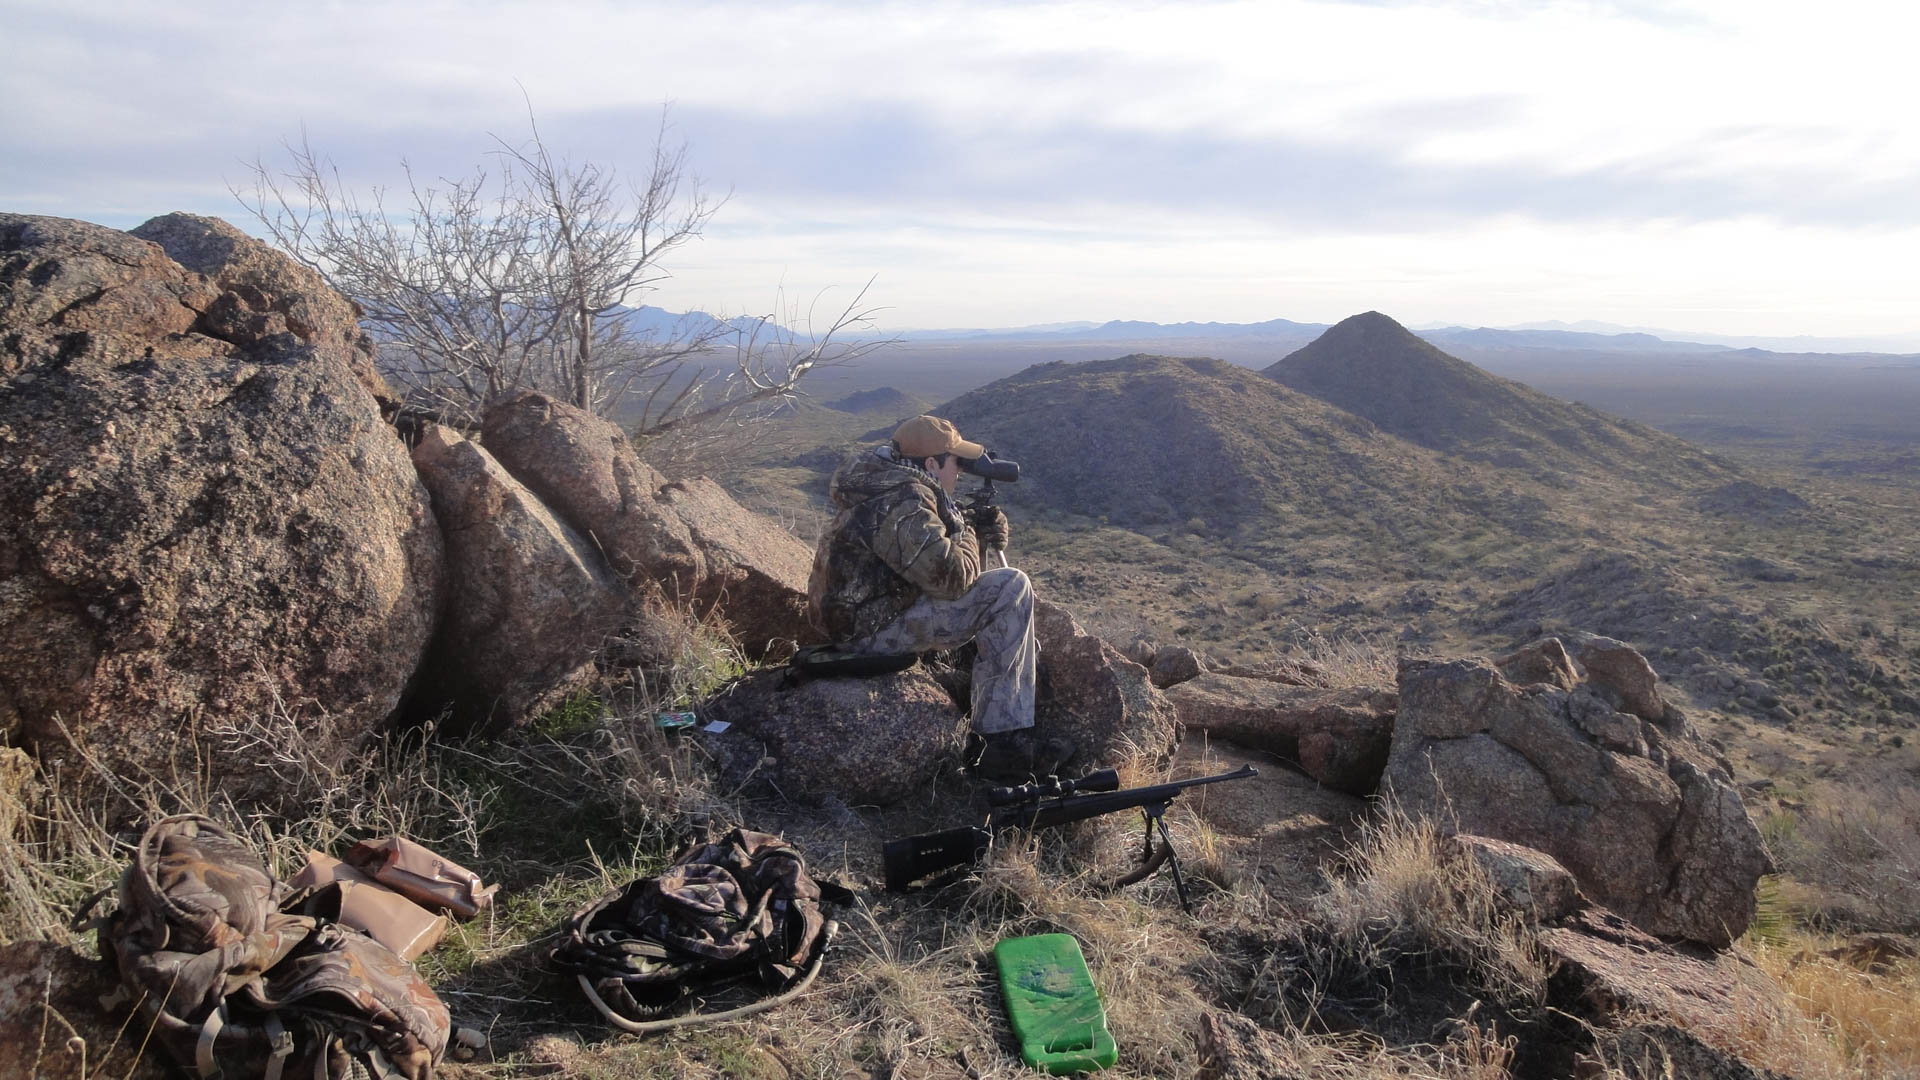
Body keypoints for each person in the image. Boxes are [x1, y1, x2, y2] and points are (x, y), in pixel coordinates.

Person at [808, 415, 1071, 780]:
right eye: (955, 462)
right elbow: (952, 582)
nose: (959, 472)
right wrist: (967, 529)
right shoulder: (903, 501)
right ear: (930, 464)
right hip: (867, 632)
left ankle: (983, 689)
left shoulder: (884, 483)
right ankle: (1001, 744)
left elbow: (932, 560)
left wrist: (963, 525)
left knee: (997, 588)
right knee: (1011, 587)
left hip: (861, 615)